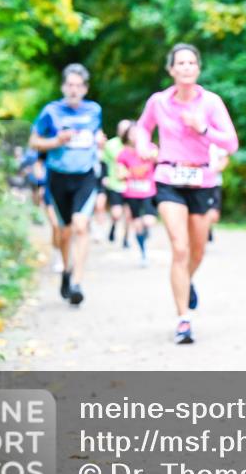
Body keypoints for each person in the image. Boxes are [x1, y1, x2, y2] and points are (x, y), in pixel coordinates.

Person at [133, 43, 239, 344]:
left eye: (191, 62)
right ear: (171, 69)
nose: (186, 67)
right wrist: (143, 145)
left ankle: (186, 280)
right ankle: (183, 320)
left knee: (197, 251)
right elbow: (143, 128)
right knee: (179, 249)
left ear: (198, 68)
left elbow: (231, 143)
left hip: (202, 179)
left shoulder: (212, 102)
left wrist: (203, 129)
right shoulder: (159, 101)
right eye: (180, 63)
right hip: (169, 177)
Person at [29, 63, 105, 305]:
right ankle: (66, 270)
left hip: (85, 176)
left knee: (81, 226)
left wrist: (99, 141)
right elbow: (34, 142)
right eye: (69, 85)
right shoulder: (50, 111)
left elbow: (97, 135)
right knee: (64, 231)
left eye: (78, 86)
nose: (73, 90)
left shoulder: (94, 110)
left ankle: (77, 283)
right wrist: (56, 141)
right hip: (58, 177)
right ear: (63, 87)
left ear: (85, 88)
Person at [116, 123, 158, 266]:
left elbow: (158, 158)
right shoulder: (123, 154)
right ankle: (143, 253)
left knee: (149, 221)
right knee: (138, 225)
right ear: (126, 136)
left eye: (137, 134)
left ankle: (146, 232)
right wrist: (129, 173)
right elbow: (120, 173)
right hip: (132, 194)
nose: (134, 137)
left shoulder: (151, 149)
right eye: (131, 134)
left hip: (149, 192)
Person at [102, 119, 132, 247]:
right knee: (116, 213)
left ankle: (126, 238)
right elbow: (103, 162)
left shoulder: (135, 145)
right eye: (121, 129)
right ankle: (113, 225)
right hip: (115, 184)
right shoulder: (110, 145)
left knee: (129, 214)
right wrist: (104, 177)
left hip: (131, 185)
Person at [205, 144, 230, 242]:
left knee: (214, 213)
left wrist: (214, 170)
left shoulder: (216, 142)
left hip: (214, 183)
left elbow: (224, 159)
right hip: (196, 183)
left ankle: (206, 228)